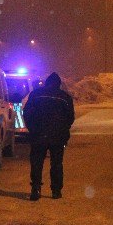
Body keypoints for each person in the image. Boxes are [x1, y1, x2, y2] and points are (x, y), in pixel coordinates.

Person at [23, 72, 75, 201]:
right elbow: (70, 118)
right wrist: (63, 130)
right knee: (56, 163)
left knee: (36, 162)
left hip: (38, 135)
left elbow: (27, 113)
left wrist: (33, 129)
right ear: (58, 84)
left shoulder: (36, 94)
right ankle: (56, 191)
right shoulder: (65, 97)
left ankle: (35, 189)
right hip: (57, 136)